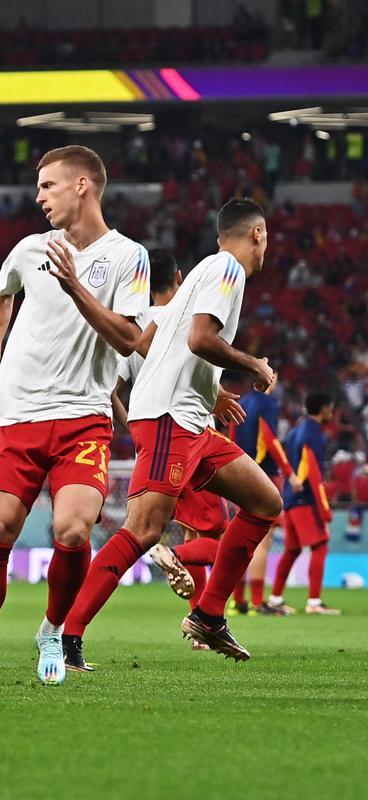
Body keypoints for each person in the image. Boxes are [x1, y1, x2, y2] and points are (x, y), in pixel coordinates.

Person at [0, 145, 149, 688]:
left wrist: (75, 286)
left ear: (83, 185)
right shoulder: (29, 248)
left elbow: (131, 337)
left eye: (48, 186)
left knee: (71, 529)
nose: (38, 197)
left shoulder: (129, 256)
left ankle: (53, 630)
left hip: (83, 414)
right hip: (18, 413)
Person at [61, 198, 282, 666]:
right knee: (143, 529)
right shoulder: (227, 271)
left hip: (190, 418)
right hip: (167, 419)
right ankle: (68, 636)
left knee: (265, 502)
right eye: (267, 239)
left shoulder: (203, 271)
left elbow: (151, 337)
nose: (266, 249)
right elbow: (201, 338)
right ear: (258, 234)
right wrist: (251, 365)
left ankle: (208, 615)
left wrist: (210, 389)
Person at [110, 249, 242, 648]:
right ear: (181, 278)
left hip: (154, 441)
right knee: (216, 537)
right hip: (185, 437)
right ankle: (177, 557)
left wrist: (134, 431)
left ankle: (198, 620)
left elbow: (110, 390)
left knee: (193, 527)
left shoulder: (137, 327)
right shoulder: (175, 320)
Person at [268, 392, 341, 615]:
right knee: (319, 545)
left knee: (292, 549)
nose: (332, 411)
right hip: (305, 498)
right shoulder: (315, 433)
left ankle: (275, 598)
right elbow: (312, 468)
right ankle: (314, 602)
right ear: (325, 408)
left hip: (289, 498)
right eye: (330, 407)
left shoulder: (295, 431)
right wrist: (324, 507)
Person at [230, 383, 286, 615]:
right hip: (263, 473)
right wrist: (287, 469)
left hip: (238, 471)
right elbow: (270, 438)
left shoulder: (241, 402)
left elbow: (231, 437)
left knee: (240, 537)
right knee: (262, 539)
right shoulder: (267, 403)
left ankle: (237, 601)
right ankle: (257, 602)